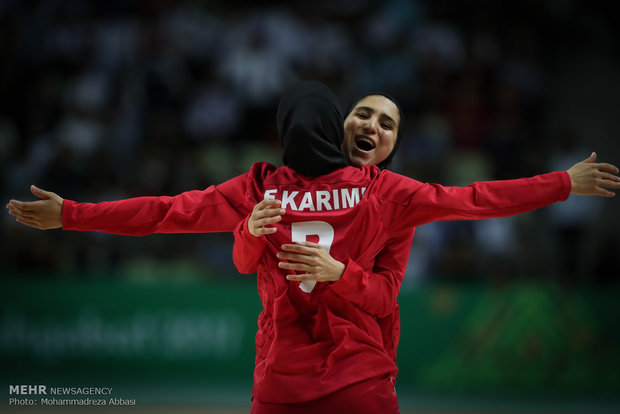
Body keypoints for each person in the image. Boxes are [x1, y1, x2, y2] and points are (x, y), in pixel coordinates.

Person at [6, 82, 620, 411]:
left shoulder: (272, 188)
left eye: (387, 124)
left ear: (394, 144)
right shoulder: (375, 194)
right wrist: (564, 183)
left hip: (330, 377)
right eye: (363, 113)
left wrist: (73, 217)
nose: (372, 125)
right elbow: (477, 198)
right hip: (324, 379)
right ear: (335, 125)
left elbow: (164, 214)